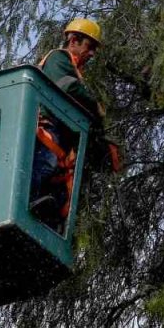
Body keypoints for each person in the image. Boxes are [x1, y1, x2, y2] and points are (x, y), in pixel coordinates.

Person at [29, 18, 119, 226]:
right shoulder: (59, 58)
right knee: (45, 165)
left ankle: (45, 218)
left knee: (57, 184)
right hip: (47, 128)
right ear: (74, 40)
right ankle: (29, 202)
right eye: (90, 46)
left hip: (60, 141)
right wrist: (95, 107)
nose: (93, 53)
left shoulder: (74, 70)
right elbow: (67, 88)